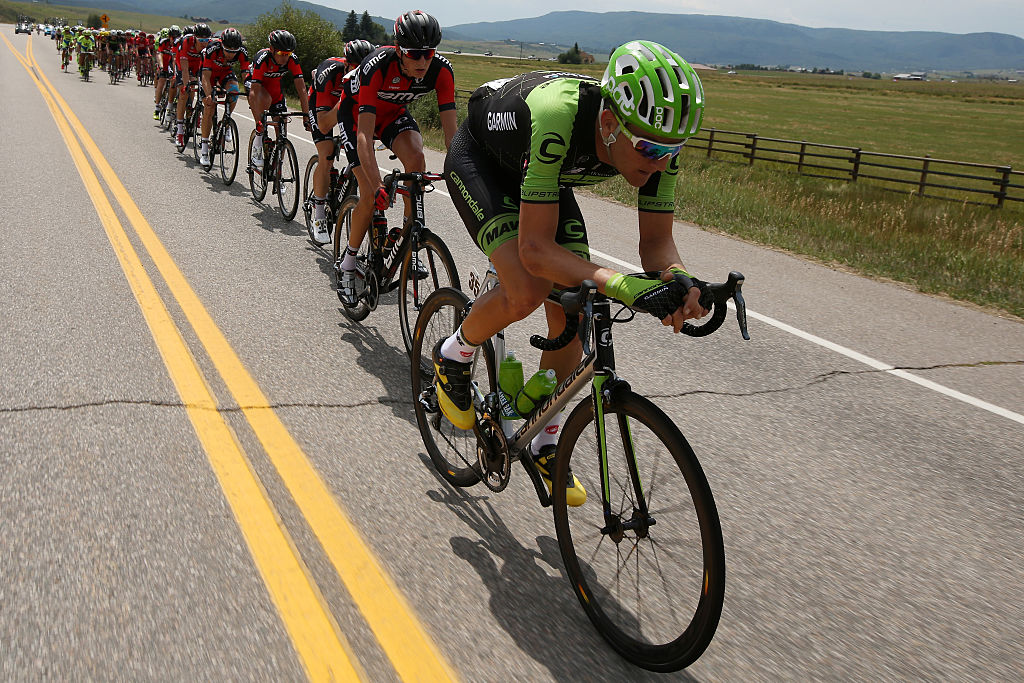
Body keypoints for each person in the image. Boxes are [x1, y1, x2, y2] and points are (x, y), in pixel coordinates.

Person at [434, 40, 708, 505]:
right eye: (648, 147)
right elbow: (536, 250)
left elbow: (657, 245)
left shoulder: (654, 144)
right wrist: (621, 283)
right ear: (608, 123)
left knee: (575, 314)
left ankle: (545, 440)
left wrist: (681, 279)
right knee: (527, 288)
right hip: (482, 159)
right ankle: (454, 353)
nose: (661, 160)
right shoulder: (558, 117)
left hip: (542, 174)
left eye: (672, 149)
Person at [334, 10, 457, 306]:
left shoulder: (441, 71)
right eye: (415, 54)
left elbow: (452, 136)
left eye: (429, 53)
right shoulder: (376, 65)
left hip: (392, 117)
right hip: (355, 118)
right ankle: (348, 264)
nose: (423, 62)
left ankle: (409, 242)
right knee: (367, 192)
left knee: (417, 161)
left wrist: (459, 175)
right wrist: (376, 184)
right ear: (399, 49)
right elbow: (364, 134)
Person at [306, 39, 375, 244]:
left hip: (349, 106)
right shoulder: (329, 72)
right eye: (355, 68)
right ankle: (318, 214)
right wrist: (344, 102)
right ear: (346, 64)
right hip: (322, 105)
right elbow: (325, 124)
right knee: (326, 155)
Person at [247, 29, 312, 166]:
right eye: (282, 53)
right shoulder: (263, 59)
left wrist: (306, 116)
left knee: (282, 129)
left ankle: (278, 170)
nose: (285, 58)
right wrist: (258, 120)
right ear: (272, 49)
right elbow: (254, 91)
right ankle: (258, 143)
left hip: (276, 91)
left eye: (288, 54)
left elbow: (301, 89)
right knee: (266, 102)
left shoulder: (292, 60)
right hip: (257, 87)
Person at [197, 28, 251, 167]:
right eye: (228, 51)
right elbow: (205, 77)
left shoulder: (242, 52)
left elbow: (246, 76)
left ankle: (226, 122)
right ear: (222, 45)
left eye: (234, 52)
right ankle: (204, 150)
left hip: (225, 73)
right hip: (208, 73)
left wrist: (250, 93)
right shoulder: (212, 48)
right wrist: (209, 95)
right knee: (209, 107)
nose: (230, 55)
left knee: (234, 91)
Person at [174, 23, 212, 147]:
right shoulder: (186, 41)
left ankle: (197, 112)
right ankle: (179, 131)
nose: (204, 43)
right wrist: (186, 85)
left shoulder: (210, 46)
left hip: (198, 66)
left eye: (206, 40)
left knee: (205, 91)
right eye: (201, 40)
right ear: (195, 37)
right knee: (184, 93)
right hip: (184, 64)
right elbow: (184, 70)